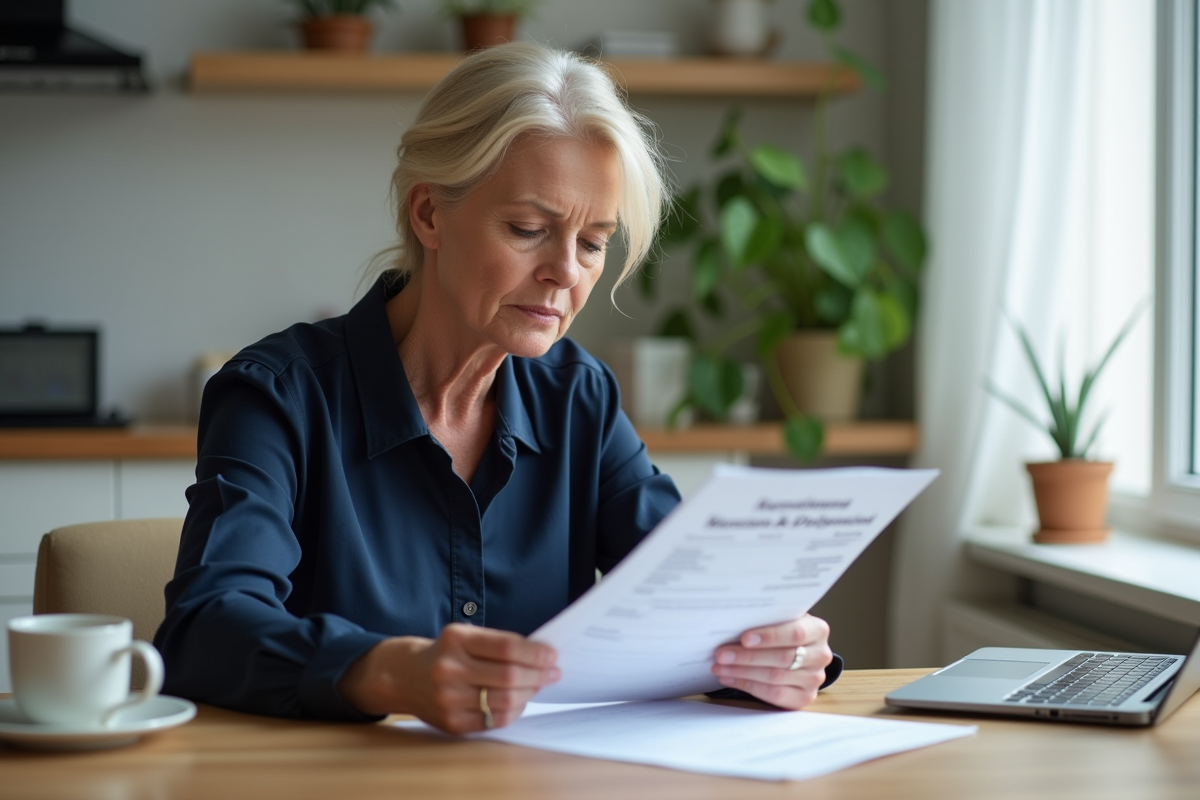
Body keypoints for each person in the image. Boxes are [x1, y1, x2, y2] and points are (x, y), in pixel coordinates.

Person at [154, 42, 839, 735]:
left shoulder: (579, 397)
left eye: (595, 242)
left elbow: (694, 600)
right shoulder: (276, 396)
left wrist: (778, 650)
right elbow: (203, 629)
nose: (566, 273)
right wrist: (391, 671)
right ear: (429, 215)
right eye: (529, 229)